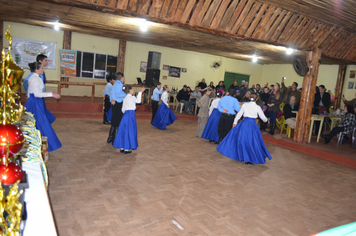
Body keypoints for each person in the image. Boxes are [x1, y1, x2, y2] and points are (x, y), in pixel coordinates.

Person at [217, 93, 272, 165]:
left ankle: (243, 156)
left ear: (249, 98)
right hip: (252, 125)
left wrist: (235, 122)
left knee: (242, 139)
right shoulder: (257, 107)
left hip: (244, 124)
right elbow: (263, 117)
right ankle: (249, 158)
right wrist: (265, 120)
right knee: (252, 141)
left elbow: (239, 114)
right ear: (257, 99)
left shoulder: (245, 105)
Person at [25, 61, 61, 152]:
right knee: (42, 123)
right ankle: (48, 144)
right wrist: (52, 94)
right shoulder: (36, 79)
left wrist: (29, 97)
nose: (43, 69)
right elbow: (37, 94)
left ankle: (35, 143)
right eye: (42, 68)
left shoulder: (32, 77)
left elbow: (30, 91)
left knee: (34, 123)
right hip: (36, 102)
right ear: (37, 69)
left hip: (33, 101)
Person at [113, 85, 145, 154]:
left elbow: (123, 109)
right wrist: (140, 92)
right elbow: (138, 101)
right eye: (132, 89)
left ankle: (122, 147)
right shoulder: (132, 97)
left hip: (125, 116)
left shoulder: (125, 98)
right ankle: (126, 149)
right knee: (130, 131)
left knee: (123, 130)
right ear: (130, 90)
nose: (133, 90)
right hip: (130, 116)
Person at [107, 72, 126, 144]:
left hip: (114, 104)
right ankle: (115, 140)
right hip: (118, 104)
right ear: (121, 78)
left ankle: (110, 138)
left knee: (114, 122)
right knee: (117, 122)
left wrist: (111, 100)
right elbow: (118, 94)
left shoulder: (115, 84)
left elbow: (112, 94)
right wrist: (125, 94)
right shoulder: (119, 85)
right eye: (123, 78)